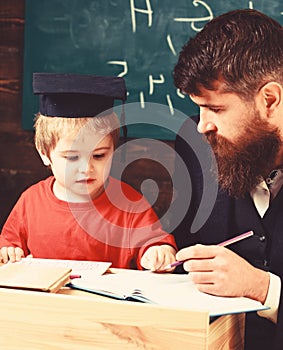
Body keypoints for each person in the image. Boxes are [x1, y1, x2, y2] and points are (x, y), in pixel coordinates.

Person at [171, 9, 283, 350]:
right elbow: (184, 245)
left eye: (216, 109)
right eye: (199, 107)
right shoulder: (194, 144)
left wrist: (263, 288)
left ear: (270, 100)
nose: (203, 124)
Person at [0, 73, 177, 272]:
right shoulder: (30, 202)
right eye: (72, 158)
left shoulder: (130, 204)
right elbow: (8, 245)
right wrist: (9, 251)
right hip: (47, 302)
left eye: (99, 156)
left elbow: (155, 243)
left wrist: (158, 252)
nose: (86, 169)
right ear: (45, 154)